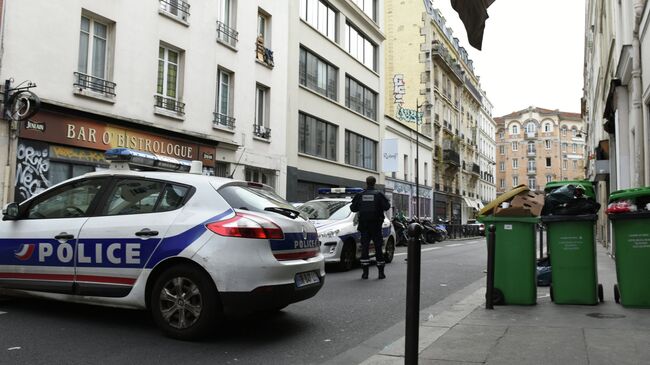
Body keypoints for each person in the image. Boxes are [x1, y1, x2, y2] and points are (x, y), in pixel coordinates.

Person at [350, 176, 391, 280]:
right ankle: (381, 273)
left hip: (364, 226)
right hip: (376, 226)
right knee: (378, 248)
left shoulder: (360, 195)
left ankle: (365, 273)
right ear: (374, 183)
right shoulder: (379, 194)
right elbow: (387, 207)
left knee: (364, 249)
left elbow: (353, 208)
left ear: (366, 183)